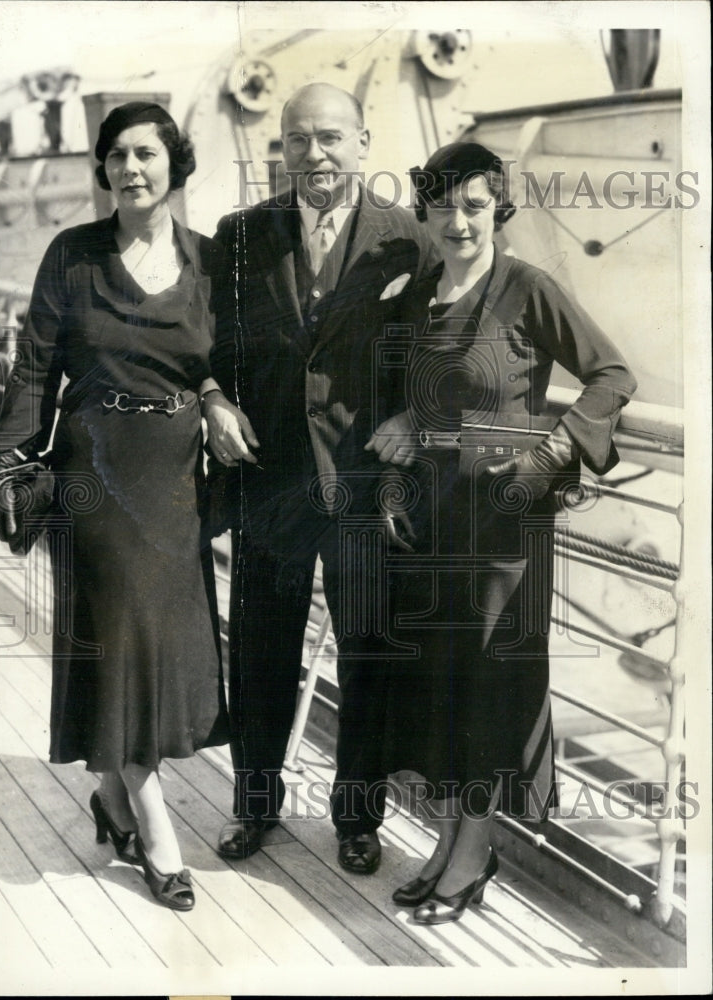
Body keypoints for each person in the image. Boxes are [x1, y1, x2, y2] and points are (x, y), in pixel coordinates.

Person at [367, 140, 637, 922]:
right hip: (432, 519)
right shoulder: (418, 297)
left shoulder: (527, 287)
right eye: (444, 205)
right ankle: (451, 842)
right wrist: (391, 472)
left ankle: (473, 854)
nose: (458, 221)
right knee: (445, 680)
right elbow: (415, 404)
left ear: (498, 210)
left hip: (505, 519)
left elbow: (611, 376)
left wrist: (553, 451)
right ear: (424, 210)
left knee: (488, 681)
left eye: (475, 205)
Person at [0, 102, 229, 912]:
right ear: (103, 169)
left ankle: (113, 794)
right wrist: (3, 459)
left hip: (178, 480)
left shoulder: (208, 259)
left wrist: (216, 394)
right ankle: (157, 833)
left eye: (147, 154)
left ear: (174, 164)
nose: (131, 168)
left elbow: (219, 356)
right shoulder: (73, 255)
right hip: (94, 471)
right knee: (121, 634)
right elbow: (32, 368)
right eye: (117, 155)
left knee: (153, 645)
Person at [204, 82, 436, 873]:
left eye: (331, 138)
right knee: (261, 651)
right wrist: (211, 400)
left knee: (365, 653)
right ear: (281, 149)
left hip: (364, 482)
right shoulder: (239, 238)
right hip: (269, 477)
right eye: (299, 140)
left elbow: (445, 341)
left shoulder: (408, 239)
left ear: (363, 143)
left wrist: (415, 415)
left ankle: (356, 818)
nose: (315, 155)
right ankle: (255, 807)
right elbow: (206, 346)